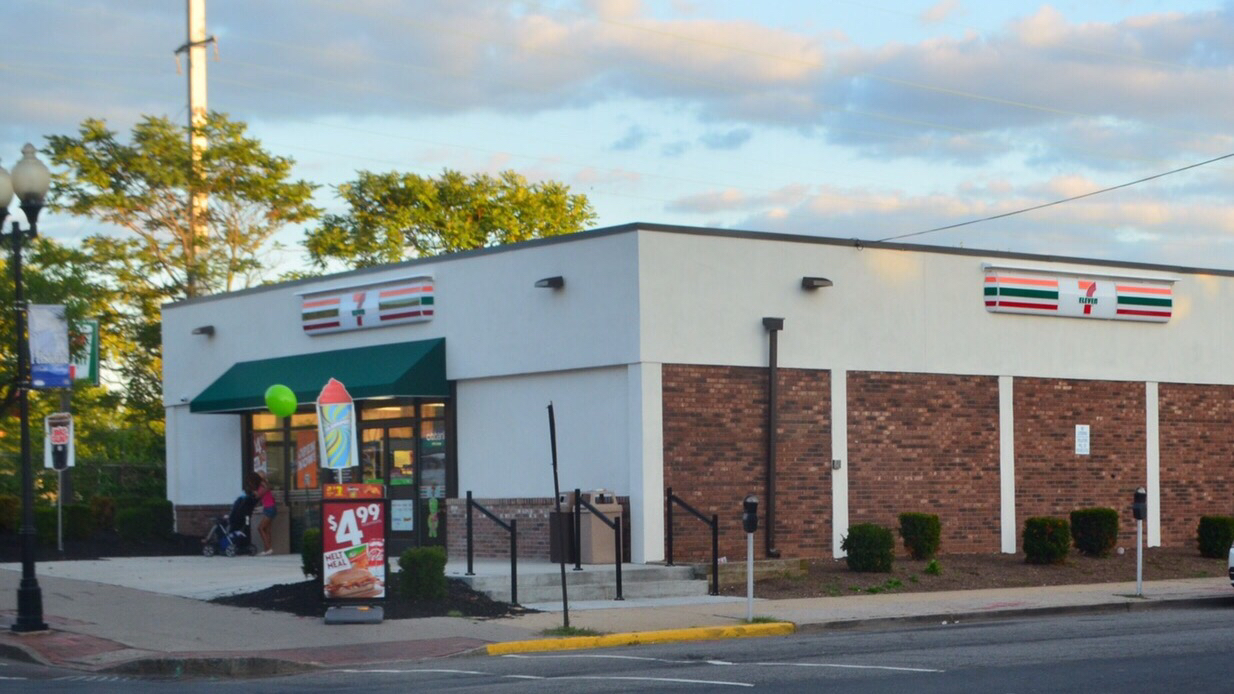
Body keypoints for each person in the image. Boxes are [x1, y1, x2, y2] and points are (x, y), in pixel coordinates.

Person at [247, 471, 276, 555]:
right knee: (267, 529)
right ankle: (267, 549)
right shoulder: (264, 484)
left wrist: (252, 490)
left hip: (270, 508)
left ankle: (269, 548)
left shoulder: (263, 485)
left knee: (260, 528)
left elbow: (258, 495)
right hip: (269, 508)